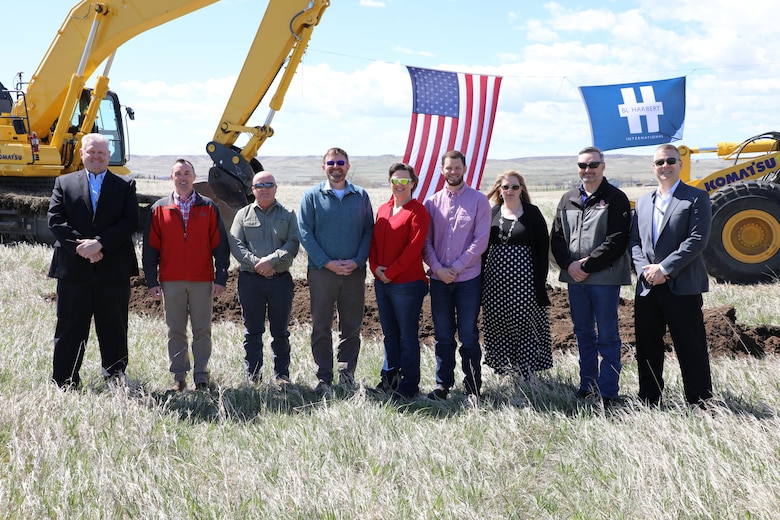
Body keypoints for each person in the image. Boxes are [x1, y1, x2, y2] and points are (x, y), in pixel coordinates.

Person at [47, 133, 139, 389]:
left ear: (108, 156)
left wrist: (100, 243)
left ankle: (114, 377)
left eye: (101, 153)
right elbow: (55, 220)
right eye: (91, 152)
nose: (96, 157)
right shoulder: (63, 183)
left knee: (114, 325)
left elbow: (130, 221)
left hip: (113, 269)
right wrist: (83, 248)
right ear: (82, 154)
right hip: (73, 270)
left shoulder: (124, 185)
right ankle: (64, 380)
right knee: (70, 326)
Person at [629, 144, 713, 406]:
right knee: (647, 346)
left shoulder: (696, 198)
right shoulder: (643, 202)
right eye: (659, 162)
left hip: (682, 286)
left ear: (679, 164)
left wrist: (664, 269)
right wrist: (647, 271)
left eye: (670, 161)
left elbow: (697, 240)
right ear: (653, 167)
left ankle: (700, 401)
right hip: (648, 287)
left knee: (691, 346)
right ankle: (649, 399)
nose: (664, 166)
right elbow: (634, 242)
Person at [550, 146, 632, 405]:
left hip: (604, 279)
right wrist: (569, 265)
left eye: (593, 165)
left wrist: (586, 265)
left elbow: (617, 240)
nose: (588, 170)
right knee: (583, 332)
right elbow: (558, 237)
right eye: (583, 166)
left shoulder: (616, 198)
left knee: (607, 335)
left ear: (603, 166)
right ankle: (587, 384)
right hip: (575, 279)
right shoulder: (568, 199)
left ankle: (608, 392)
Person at [142, 159, 229, 391]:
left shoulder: (208, 206)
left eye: (187, 173)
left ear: (194, 177)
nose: (182, 177)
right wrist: (152, 280)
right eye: (178, 173)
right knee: (175, 330)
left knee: (202, 330)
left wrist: (221, 277)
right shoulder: (159, 208)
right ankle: (178, 377)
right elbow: (150, 249)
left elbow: (220, 245)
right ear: (172, 177)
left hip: (202, 281)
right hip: (171, 281)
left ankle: (201, 376)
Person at [298, 148, 374, 395]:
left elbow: (367, 231)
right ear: (324, 167)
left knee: (351, 326)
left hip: (354, 272)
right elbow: (305, 233)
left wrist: (358, 260)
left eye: (340, 162)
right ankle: (323, 376)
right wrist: (326, 262)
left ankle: (346, 373)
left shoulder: (360, 196)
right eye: (331, 163)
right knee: (321, 325)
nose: (335, 166)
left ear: (348, 166)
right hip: (322, 272)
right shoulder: (312, 196)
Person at [422, 150, 491, 400]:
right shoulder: (432, 203)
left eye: (457, 168)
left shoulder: (479, 201)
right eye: (448, 168)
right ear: (442, 170)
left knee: (469, 334)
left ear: (464, 169)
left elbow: (480, 241)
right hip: (439, 281)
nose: (453, 172)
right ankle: (443, 384)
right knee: (442, 334)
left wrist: (458, 267)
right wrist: (439, 268)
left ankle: (473, 385)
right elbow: (426, 242)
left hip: (468, 281)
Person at [230, 171, 299, 386]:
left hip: (280, 281)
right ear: (253, 190)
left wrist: (271, 261)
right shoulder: (243, 215)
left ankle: (282, 376)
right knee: (253, 331)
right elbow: (236, 244)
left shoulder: (288, 214)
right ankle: (254, 377)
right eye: (260, 185)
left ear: (276, 188)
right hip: (251, 281)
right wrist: (258, 264)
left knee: (280, 332)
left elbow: (293, 243)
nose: (265, 188)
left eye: (269, 184)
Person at [482, 171, 552, 381]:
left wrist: (540, 283)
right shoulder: (492, 212)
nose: (510, 191)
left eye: (514, 186)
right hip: (494, 285)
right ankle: (505, 372)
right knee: (498, 325)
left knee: (524, 325)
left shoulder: (532, 213)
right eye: (505, 187)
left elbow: (542, 251)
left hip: (525, 284)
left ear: (522, 188)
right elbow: (483, 250)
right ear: (499, 190)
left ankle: (526, 373)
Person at [369, 163, 430, 399]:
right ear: (390, 182)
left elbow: (414, 249)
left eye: (404, 181)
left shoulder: (418, 211)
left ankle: (409, 385)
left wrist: (390, 272)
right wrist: (376, 269)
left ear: (413, 184)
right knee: (390, 334)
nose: (399, 185)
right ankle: (389, 379)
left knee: (407, 336)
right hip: (382, 282)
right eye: (395, 180)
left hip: (407, 284)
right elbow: (373, 243)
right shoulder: (383, 209)